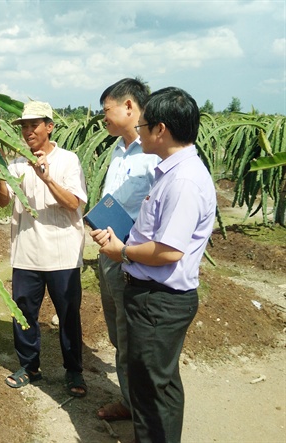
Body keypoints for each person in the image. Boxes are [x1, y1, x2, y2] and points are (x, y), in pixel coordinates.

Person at [91, 87, 216, 443]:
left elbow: (169, 251)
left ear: (159, 129)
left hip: (159, 299)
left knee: (151, 390)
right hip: (153, 295)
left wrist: (124, 252)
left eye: (144, 126)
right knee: (158, 384)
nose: (140, 132)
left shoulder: (184, 181)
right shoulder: (172, 172)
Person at [0, 101, 88, 397]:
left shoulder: (68, 161)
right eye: (24, 126)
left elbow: (74, 204)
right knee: (24, 313)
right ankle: (29, 367)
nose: (28, 131)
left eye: (34, 125)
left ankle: (74, 371)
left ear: (49, 126)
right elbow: (3, 202)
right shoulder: (16, 164)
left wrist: (46, 177)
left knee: (68, 314)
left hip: (62, 254)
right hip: (26, 252)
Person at [94, 78, 159, 422]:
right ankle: (130, 402)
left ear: (129, 106)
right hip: (109, 255)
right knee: (119, 334)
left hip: (135, 260)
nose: (103, 117)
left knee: (135, 339)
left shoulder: (153, 153)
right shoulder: (118, 149)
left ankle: (145, 413)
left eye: (107, 110)